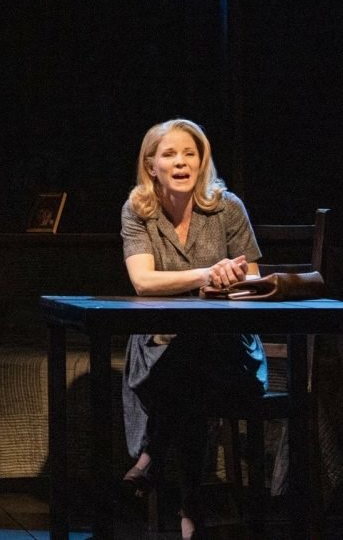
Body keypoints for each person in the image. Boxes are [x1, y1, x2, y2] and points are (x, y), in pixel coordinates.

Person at [118, 119, 268, 540]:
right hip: (158, 348)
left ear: (202, 161)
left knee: (198, 355)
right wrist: (206, 274)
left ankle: (151, 459)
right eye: (169, 154)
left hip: (229, 352)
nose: (181, 161)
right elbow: (143, 282)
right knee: (191, 371)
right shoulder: (137, 211)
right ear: (151, 166)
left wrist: (233, 277)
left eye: (190, 153)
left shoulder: (227, 207)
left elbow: (252, 280)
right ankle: (191, 510)